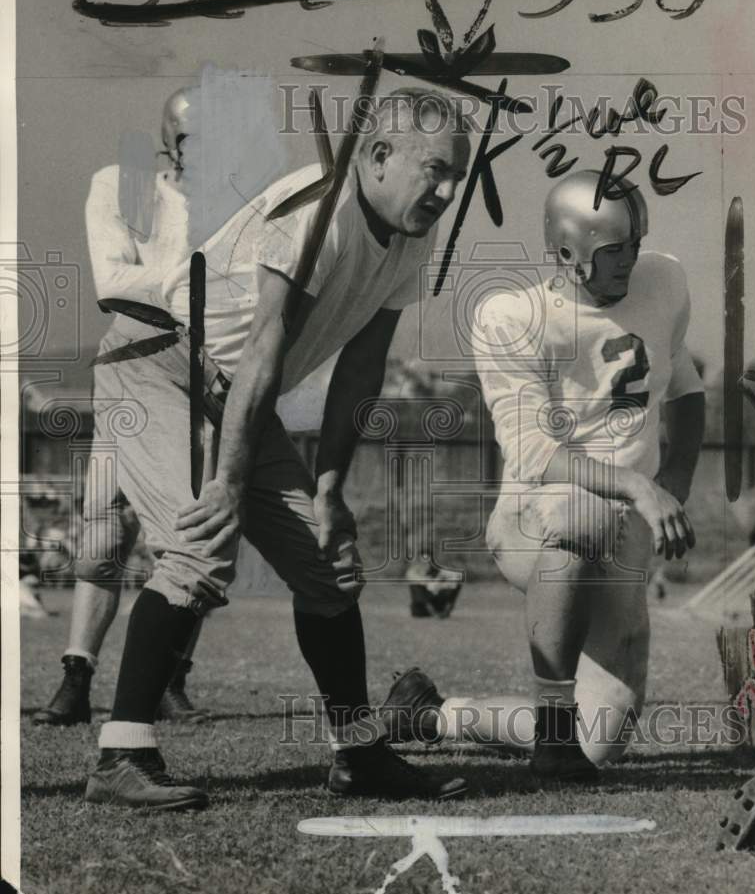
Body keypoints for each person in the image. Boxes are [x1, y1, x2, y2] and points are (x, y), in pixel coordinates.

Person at [84, 85, 472, 810]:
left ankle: (357, 754)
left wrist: (329, 489)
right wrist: (227, 485)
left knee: (327, 566)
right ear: (380, 155)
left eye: (457, 174)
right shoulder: (318, 211)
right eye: (436, 170)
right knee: (199, 547)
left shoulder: (411, 234)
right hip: (161, 360)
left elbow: (362, 367)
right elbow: (265, 347)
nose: (448, 191)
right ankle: (121, 752)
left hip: (234, 392)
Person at [381, 170, 705, 780]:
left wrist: (679, 475)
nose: (631, 263)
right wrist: (639, 485)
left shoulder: (663, 280)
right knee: (580, 513)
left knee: (604, 737)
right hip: (535, 518)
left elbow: (685, 388)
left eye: (635, 245)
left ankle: (430, 714)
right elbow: (535, 453)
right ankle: (552, 731)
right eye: (614, 252)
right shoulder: (513, 316)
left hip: (625, 532)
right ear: (566, 253)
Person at [33, 91, 210, 728]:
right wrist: (194, 284)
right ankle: (76, 678)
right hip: (132, 360)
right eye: (192, 136)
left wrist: (179, 285)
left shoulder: (239, 204)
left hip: (206, 368)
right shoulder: (122, 184)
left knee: (192, 530)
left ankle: (169, 678)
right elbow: (111, 282)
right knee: (106, 525)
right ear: (168, 141)